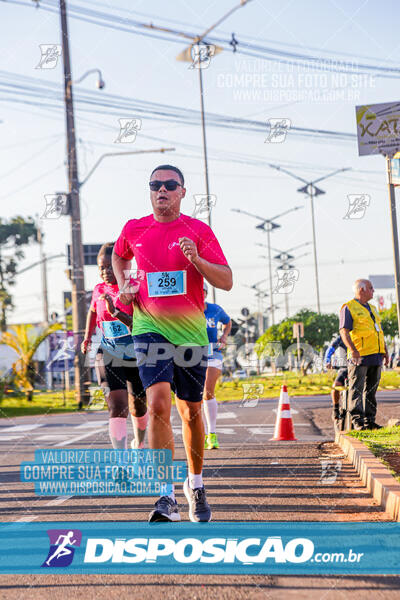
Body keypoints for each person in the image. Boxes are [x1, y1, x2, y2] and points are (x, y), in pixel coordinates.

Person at [112, 164, 232, 523]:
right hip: (149, 328)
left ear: (182, 191)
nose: (161, 190)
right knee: (158, 403)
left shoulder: (199, 231)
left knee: (191, 413)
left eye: (169, 185)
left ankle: (195, 484)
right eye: (155, 185)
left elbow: (226, 281)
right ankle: (165, 495)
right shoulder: (134, 228)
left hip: (191, 334)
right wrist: (124, 286)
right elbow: (119, 256)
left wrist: (196, 258)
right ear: (150, 191)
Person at [81, 243, 147, 450]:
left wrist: (116, 312)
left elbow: (139, 324)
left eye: (110, 267)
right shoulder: (98, 289)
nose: (105, 272)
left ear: (121, 267)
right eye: (101, 267)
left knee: (138, 406)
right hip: (108, 351)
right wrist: (87, 337)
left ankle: (140, 443)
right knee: (117, 407)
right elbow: (93, 311)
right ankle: (121, 460)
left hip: (135, 354)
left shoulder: (134, 287)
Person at [339, 278, 389, 430]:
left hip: (375, 355)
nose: (373, 291)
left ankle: (369, 421)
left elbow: (378, 331)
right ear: (362, 290)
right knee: (357, 389)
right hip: (359, 356)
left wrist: (385, 351)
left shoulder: (372, 308)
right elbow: (344, 331)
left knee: (371, 390)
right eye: (371, 288)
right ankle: (358, 422)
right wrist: (353, 350)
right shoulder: (349, 307)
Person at [203, 281, 232, 450]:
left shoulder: (215, 309)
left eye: (203, 291)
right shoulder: (188, 310)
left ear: (206, 293)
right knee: (194, 396)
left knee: (207, 391)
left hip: (213, 352)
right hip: (191, 354)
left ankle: (212, 435)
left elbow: (228, 322)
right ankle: (201, 432)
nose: (200, 293)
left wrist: (224, 337)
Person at [323, 334, 348, 430]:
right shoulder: (342, 337)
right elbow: (330, 349)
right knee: (336, 385)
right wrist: (327, 361)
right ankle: (335, 408)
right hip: (344, 368)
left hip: (358, 367)